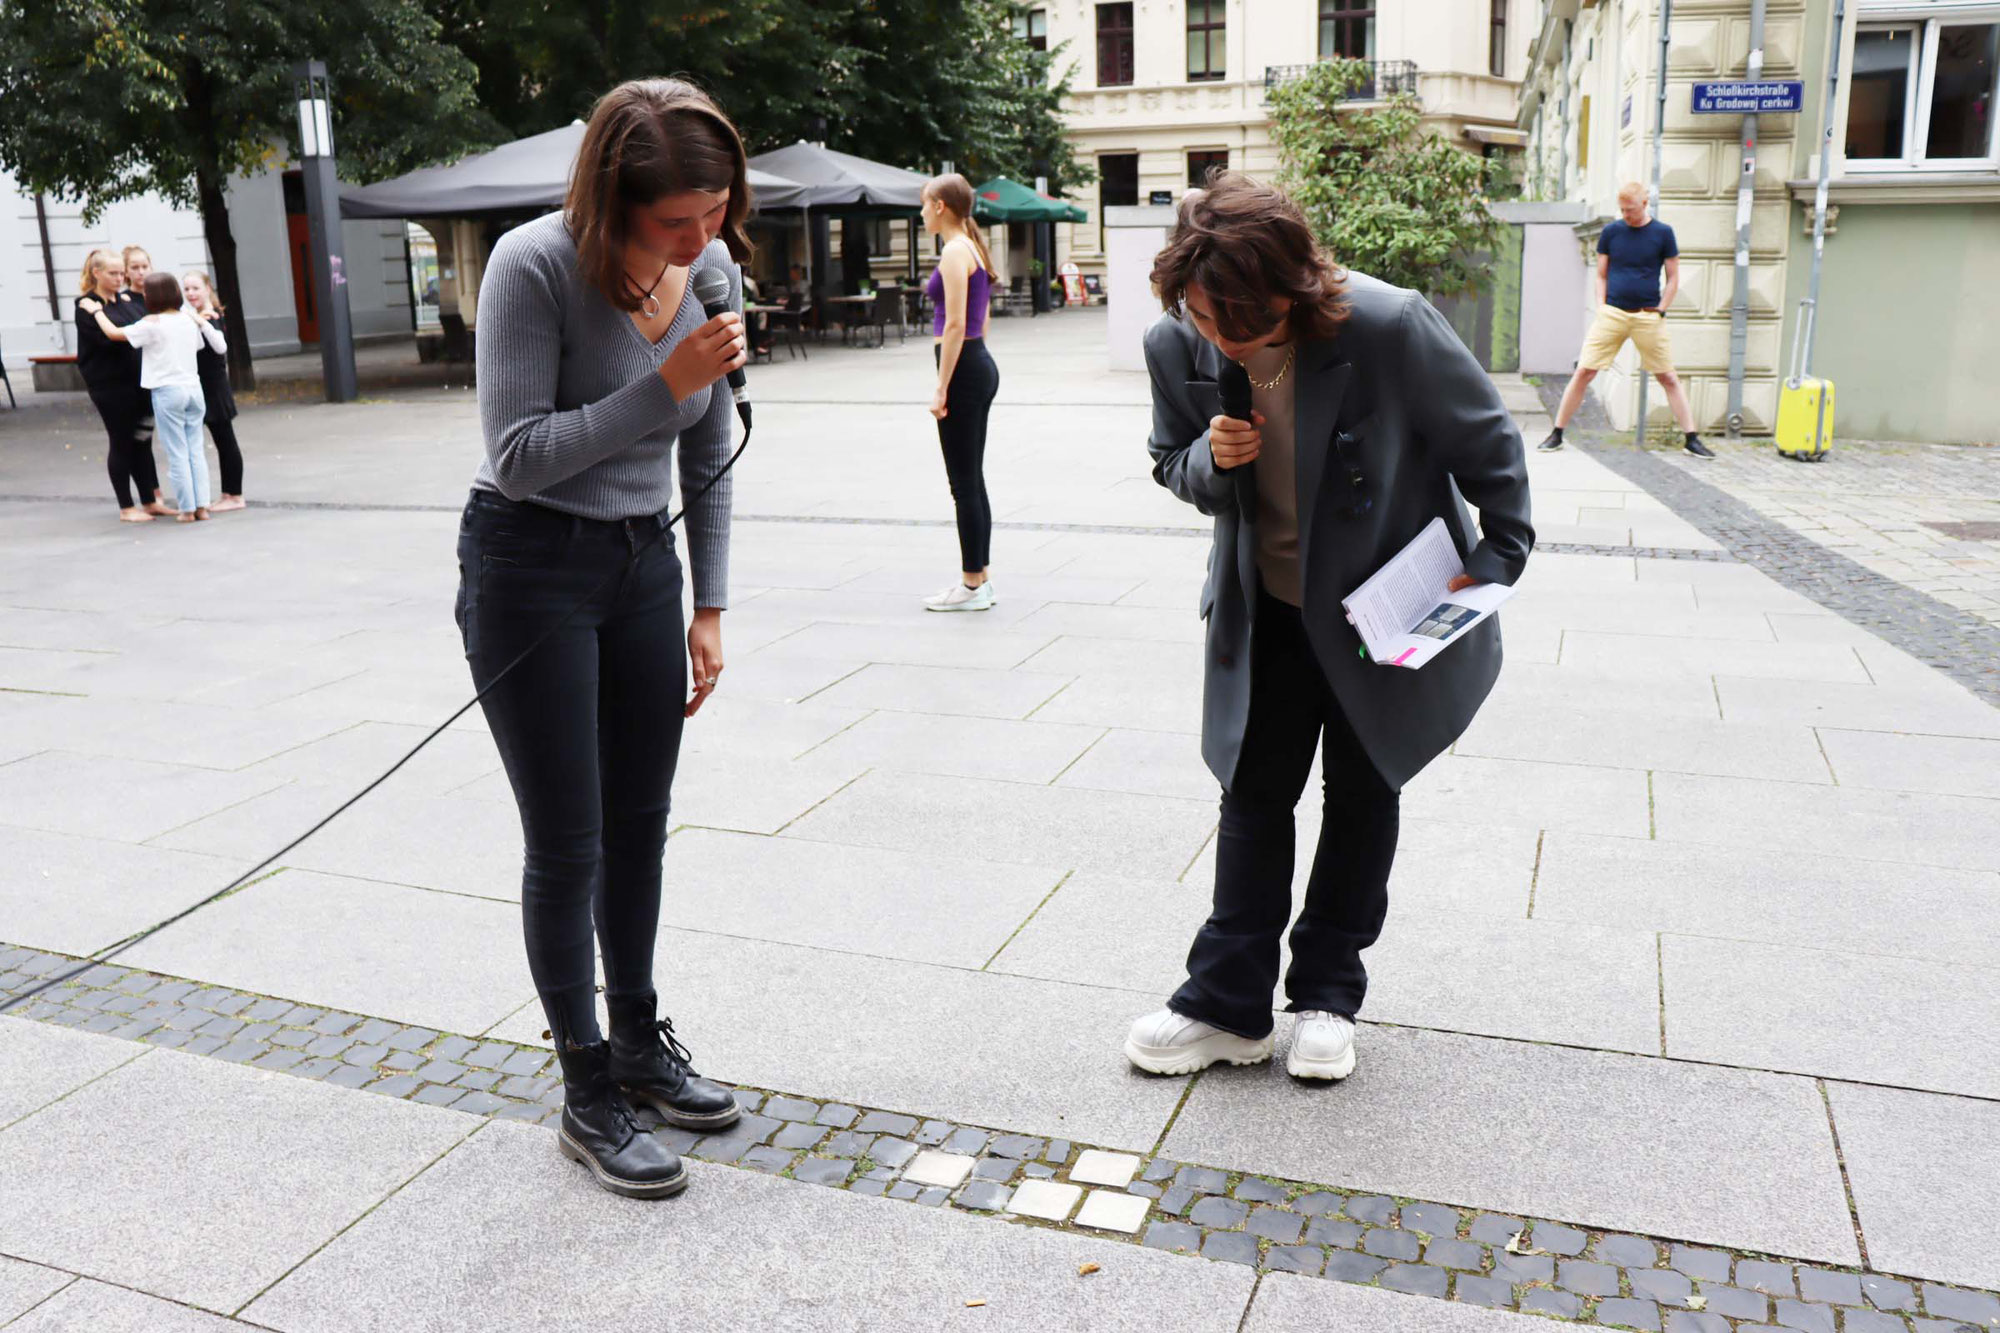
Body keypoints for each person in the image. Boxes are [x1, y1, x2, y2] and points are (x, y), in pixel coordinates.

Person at [1126, 174, 1533, 1081]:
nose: (1224, 336)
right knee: (1252, 793)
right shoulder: (1178, 341)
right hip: (1262, 606)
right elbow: (1168, 464)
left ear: (1296, 283)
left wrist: (1493, 569)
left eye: (1246, 319)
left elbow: (1491, 448)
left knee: (1362, 790)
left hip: (1378, 612)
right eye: (1204, 315)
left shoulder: (1385, 326)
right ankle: (1227, 1004)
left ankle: (1325, 996)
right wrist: (1211, 461)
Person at [462, 77, 749, 1200]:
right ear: (611, 203)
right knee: (568, 840)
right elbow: (520, 451)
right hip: (528, 567)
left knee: (641, 825)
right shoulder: (532, 266)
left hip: (644, 566)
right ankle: (585, 1085)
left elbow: (709, 445)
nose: (700, 238)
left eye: (714, 210)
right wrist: (658, 384)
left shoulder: (712, 268)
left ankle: (637, 1038)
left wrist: (709, 604)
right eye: (675, 222)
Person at [1539, 183, 1711, 459]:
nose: (1626, 215)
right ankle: (1557, 433)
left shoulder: (1663, 233)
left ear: (1644, 204)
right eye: (1622, 210)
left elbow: (1673, 277)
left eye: (1630, 210)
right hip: (1613, 314)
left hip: (1648, 316)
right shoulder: (1611, 232)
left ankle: (1692, 439)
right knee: (1585, 370)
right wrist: (1601, 306)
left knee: (1667, 376)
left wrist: (1661, 310)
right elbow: (1601, 274)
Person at [82, 272, 223, 523]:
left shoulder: (152, 324)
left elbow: (114, 334)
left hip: (167, 392)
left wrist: (96, 312)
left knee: (177, 451)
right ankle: (202, 506)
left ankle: (187, 509)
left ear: (153, 296)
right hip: (193, 388)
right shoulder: (188, 320)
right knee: (195, 450)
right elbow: (199, 347)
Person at [920, 173, 1000, 612]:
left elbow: (954, 324)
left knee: (963, 483)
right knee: (972, 479)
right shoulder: (973, 246)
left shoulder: (954, 251)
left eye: (923, 204)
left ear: (939, 206)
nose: (920, 213)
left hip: (964, 368)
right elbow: (981, 321)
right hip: (978, 362)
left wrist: (941, 386)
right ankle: (980, 578)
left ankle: (971, 584)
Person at [73, 249, 171, 521]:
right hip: (110, 386)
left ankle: (150, 501)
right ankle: (127, 507)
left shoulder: (124, 300)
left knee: (142, 441)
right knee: (121, 442)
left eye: (121, 273)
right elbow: (114, 339)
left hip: (137, 382)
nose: (120, 278)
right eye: (113, 273)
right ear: (96, 273)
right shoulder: (87, 305)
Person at [181, 271, 246, 511]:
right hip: (205, 385)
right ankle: (228, 493)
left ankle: (235, 495)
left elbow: (218, 349)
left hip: (214, 387)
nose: (190, 294)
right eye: (186, 289)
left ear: (207, 288)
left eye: (195, 288)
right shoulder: (199, 315)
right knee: (222, 441)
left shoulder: (211, 316)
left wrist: (200, 322)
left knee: (226, 441)